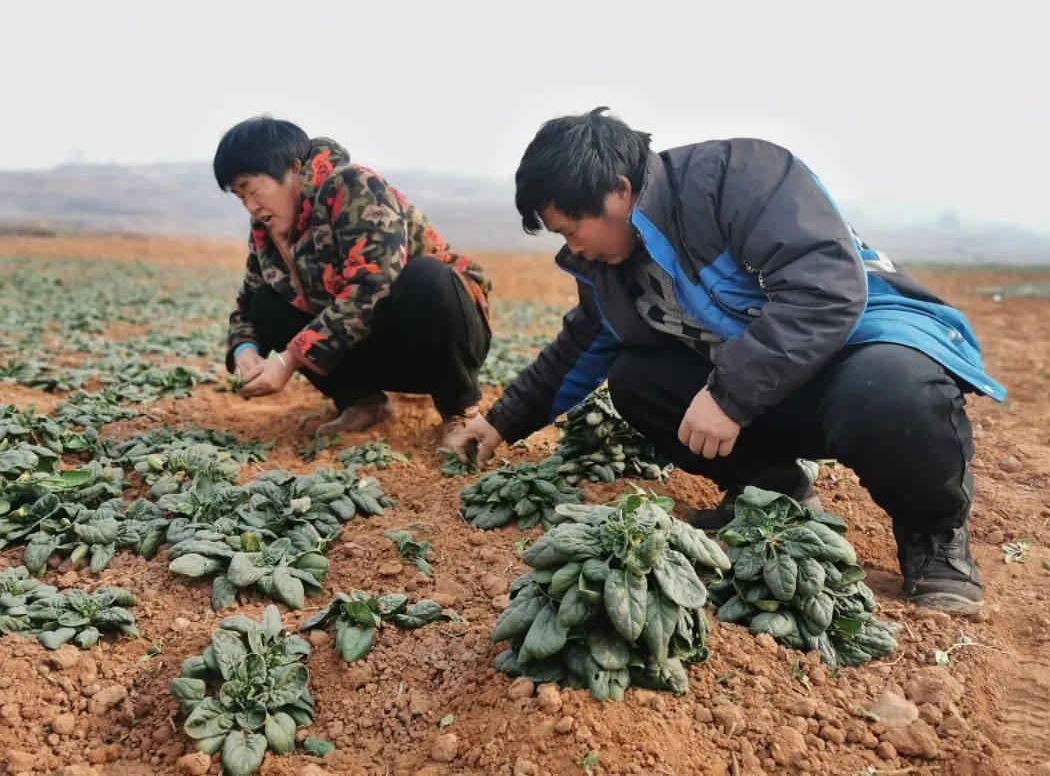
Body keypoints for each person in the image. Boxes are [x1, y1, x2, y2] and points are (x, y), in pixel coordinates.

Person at [445, 107, 1005, 615]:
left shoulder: (740, 177)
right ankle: (770, 487)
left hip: (861, 347)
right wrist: (498, 423)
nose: (573, 247)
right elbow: (578, 351)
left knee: (891, 390)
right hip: (774, 384)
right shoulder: (610, 268)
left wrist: (729, 396)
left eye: (570, 229)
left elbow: (826, 290)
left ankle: (934, 535)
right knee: (637, 379)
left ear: (617, 193)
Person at [215, 117, 491, 439]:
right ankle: (362, 402)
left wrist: (289, 359)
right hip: (373, 352)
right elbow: (248, 304)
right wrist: (245, 351)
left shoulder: (353, 186)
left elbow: (375, 287)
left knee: (425, 277)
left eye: (252, 190)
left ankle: (461, 411)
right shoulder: (267, 229)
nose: (250, 206)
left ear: (290, 168)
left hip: (442, 341)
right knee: (267, 304)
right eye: (240, 198)